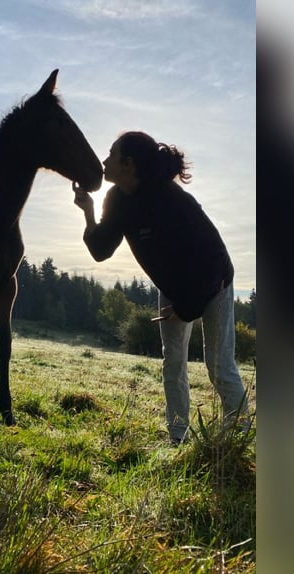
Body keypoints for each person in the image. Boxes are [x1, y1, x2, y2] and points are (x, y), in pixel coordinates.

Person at [73, 131, 249, 445]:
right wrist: (88, 211)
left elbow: (210, 262)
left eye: (111, 154)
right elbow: (101, 249)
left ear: (128, 164)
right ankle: (177, 439)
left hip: (214, 283)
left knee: (219, 368)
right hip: (173, 287)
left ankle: (238, 438)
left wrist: (183, 310)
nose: (104, 160)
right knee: (173, 364)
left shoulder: (173, 201)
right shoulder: (117, 200)